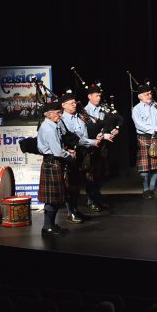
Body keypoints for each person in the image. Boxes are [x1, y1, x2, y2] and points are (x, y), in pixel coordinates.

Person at [60, 89, 102, 219]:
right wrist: (92, 142)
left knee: (80, 184)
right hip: (72, 155)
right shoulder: (62, 120)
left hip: (84, 153)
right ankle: (70, 212)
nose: (74, 105)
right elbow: (75, 139)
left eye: (75, 103)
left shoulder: (79, 117)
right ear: (64, 105)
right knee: (71, 185)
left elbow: (84, 133)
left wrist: (98, 135)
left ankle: (76, 209)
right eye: (71, 103)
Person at [37, 101, 73, 236]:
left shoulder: (51, 125)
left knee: (55, 198)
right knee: (53, 198)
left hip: (52, 163)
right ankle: (47, 227)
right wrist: (69, 155)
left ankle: (50, 225)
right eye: (58, 113)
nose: (60, 115)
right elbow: (57, 152)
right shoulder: (49, 128)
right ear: (49, 114)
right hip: (52, 163)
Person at [83, 82, 119, 205]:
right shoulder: (84, 111)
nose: (99, 98)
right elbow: (87, 131)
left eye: (100, 95)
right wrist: (104, 135)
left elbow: (106, 125)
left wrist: (112, 130)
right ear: (89, 96)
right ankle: (91, 199)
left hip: (102, 146)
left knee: (100, 174)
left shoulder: (102, 110)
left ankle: (96, 196)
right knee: (90, 174)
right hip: (91, 147)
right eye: (96, 95)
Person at [132, 82, 157, 199]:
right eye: (146, 94)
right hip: (144, 139)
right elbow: (140, 126)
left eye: (150, 93)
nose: (149, 96)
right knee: (145, 168)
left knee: (156, 167)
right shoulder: (136, 109)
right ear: (140, 96)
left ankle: (153, 188)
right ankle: (145, 189)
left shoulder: (156, 105)